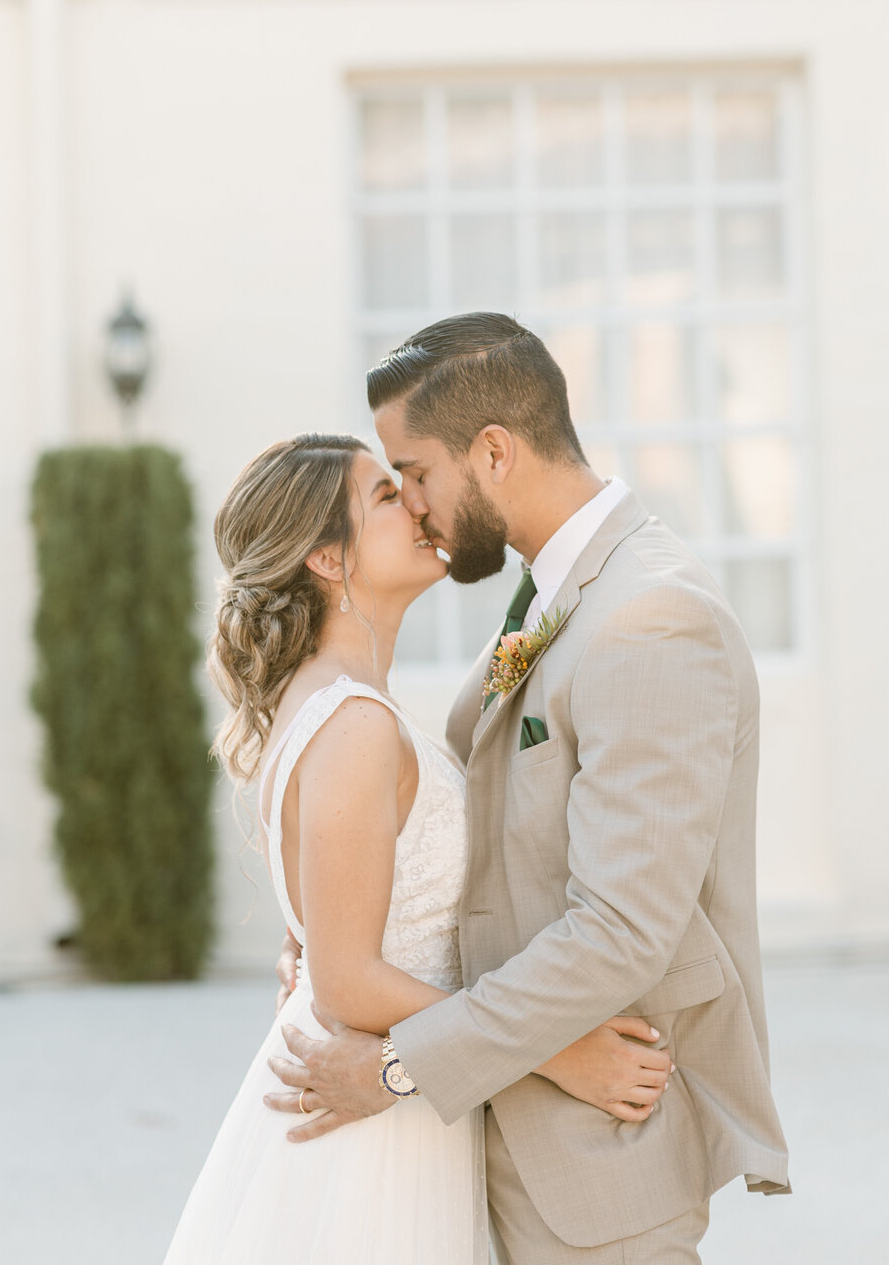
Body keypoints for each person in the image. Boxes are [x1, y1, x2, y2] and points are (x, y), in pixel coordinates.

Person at [268, 315, 791, 1263]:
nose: (413, 507)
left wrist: (393, 1064)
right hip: (492, 1129)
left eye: (414, 474)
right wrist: (353, 935)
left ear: (495, 452)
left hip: (596, 1160)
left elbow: (623, 931)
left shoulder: (651, 618)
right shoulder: (555, 591)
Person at [162, 430, 674, 1265]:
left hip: (402, 1111)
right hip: (370, 1147)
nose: (418, 506)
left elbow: (332, 938)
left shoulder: (343, 705)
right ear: (329, 559)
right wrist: (556, 1051)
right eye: (384, 497)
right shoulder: (353, 723)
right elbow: (349, 981)